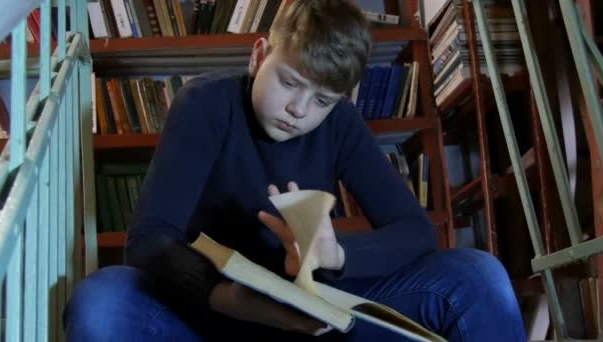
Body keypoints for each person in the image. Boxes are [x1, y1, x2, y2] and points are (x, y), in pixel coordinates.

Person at [63, 1, 526, 340]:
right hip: (216, 310)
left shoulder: (340, 122)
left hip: (313, 312)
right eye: (289, 82)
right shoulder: (205, 104)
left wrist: (335, 257)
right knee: (103, 300)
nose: (299, 109)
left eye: (322, 100)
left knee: (478, 275)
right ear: (259, 54)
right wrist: (232, 300)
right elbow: (149, 240)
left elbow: (415, 231)